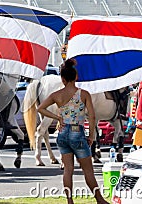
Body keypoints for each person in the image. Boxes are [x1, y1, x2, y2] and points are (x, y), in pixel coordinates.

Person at [38, 58, 109, 204]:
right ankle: (100, 200)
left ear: (62, 79)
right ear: (76, 77)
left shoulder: (56, 95)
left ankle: (69, 201)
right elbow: (92, 116)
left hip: (63, 134)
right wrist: (91, 136)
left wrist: (58, 117)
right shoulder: (83, 94)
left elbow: (40, 108)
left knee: (68, 170)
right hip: (78, 132)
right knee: (88, 170)